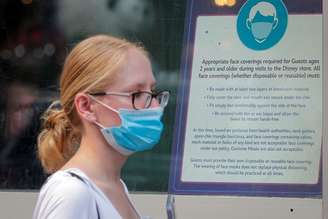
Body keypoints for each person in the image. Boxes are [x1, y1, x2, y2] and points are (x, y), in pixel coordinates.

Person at [33, 35, 169, 219]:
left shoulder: (115, 186)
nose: (154, 107)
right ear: (86, 106)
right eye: (136, 94)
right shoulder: (71, 193)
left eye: (151, 92)